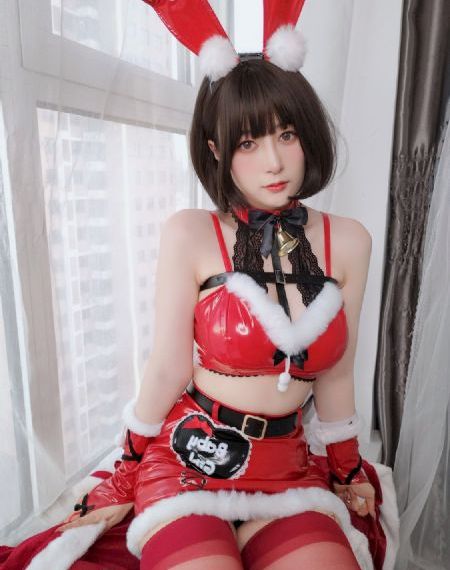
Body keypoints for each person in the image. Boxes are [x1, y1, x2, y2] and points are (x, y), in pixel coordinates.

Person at [0, 2, 390, 569]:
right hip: (190, 457)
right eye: (248, 142)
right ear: (216, 150)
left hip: (286, 468)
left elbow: (335, 373)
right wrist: (124, 468)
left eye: (286, 134)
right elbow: (168, 368)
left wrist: (348, 466)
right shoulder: (191, 233)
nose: (274, 161)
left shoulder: (350, 241)